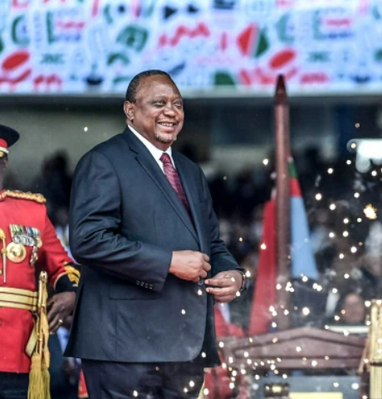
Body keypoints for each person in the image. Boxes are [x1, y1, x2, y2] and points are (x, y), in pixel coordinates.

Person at [66, 70, 246, 398]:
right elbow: (87, 240)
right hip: (122, 346)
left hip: (183, 344)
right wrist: (168, 262)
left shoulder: (190, 171)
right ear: (130, 110)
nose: (171, 111)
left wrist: (232, 273)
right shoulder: (104, 161)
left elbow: (212, 243)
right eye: (159, 103)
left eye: (177, 104)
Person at [0, 124, 79, 399]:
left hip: (20, 349)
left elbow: (62, 264)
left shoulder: (31, 212)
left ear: (5, 162)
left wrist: (69, 291)